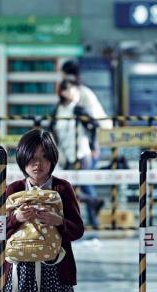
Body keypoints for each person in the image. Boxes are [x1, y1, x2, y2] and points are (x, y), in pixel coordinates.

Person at [2, 129, 84, 292]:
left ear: (53, 159)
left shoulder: (62, 188)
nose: (38, 164)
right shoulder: (14, 189)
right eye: (32, 157)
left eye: (44, 157)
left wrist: (58, 222)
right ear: (22, 159)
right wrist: (16, 219)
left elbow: (78, 230)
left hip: (54, 266)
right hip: (20, 268)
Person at [50, 79, 104, 229]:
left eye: (75, 90)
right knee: (67, 189)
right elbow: (51, 128)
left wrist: (94, 147)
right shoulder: (58, 109)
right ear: (62, 92)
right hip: (65, 153)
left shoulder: (79, 109)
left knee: (84, 185)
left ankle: (93, 221)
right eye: (70, 90)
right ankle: (94, 202)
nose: (73, 94)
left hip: (81, 152)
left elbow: (95, 126)